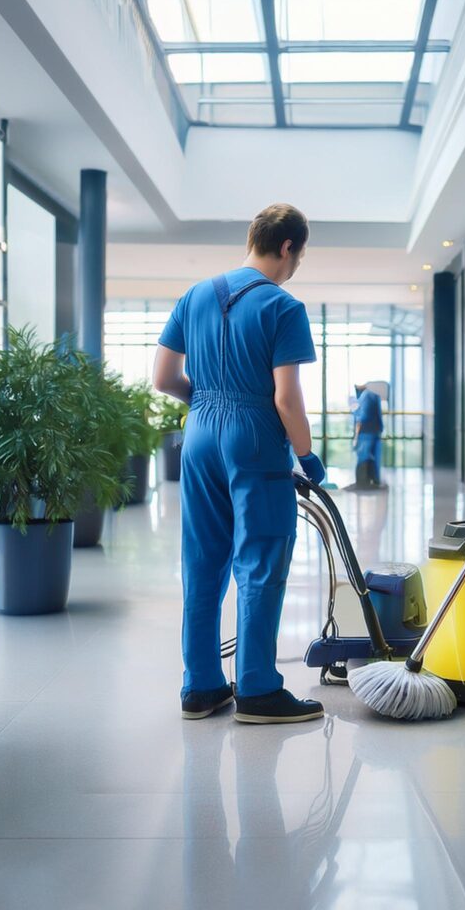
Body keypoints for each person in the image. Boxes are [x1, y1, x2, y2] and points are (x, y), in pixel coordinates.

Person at [154, 203, 327, 725]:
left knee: (203, 560)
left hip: (200, 432)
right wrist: (307, 455)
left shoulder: (195, 294)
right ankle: (256, 689)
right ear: (289, 247)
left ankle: (201, 686)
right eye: (299, 255)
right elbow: (286, 400)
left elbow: (163, 378)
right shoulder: (283, 307)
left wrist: (207, 405)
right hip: (253, 436)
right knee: (261, 558)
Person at [352, 383, 384, 487]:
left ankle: (362, 483)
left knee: (363, 457)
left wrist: (355, 412)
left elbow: (362, 417)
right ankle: (375, 481)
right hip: (376, 431)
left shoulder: (365, 396)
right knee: (374, 458)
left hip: (365, 432)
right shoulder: (375, 396)